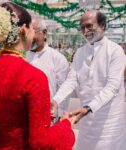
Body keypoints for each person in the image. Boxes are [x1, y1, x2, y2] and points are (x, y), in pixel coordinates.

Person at [0, 2, 77, 150]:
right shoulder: (34, 77)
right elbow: (41, 142)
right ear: (24, 29)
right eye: (32, 29)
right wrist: (66, 125)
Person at [53, 10, 126, 150]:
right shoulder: (81, 52)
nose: (85, 31)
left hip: (110, 124)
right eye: (82, 27)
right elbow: (71, 80)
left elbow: (112, 88)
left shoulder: (115, 51)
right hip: (87, 122)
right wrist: (56, 100)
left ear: (103, 25)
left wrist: (88, 108)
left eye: (89, 26)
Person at [27, 18, 70, 117]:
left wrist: (59, 115)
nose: (29, 37)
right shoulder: (22, 57)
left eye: (33, 32)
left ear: (44, 33)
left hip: (49, 115)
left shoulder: (57, 58)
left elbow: (64, 89)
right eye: (26, 33)